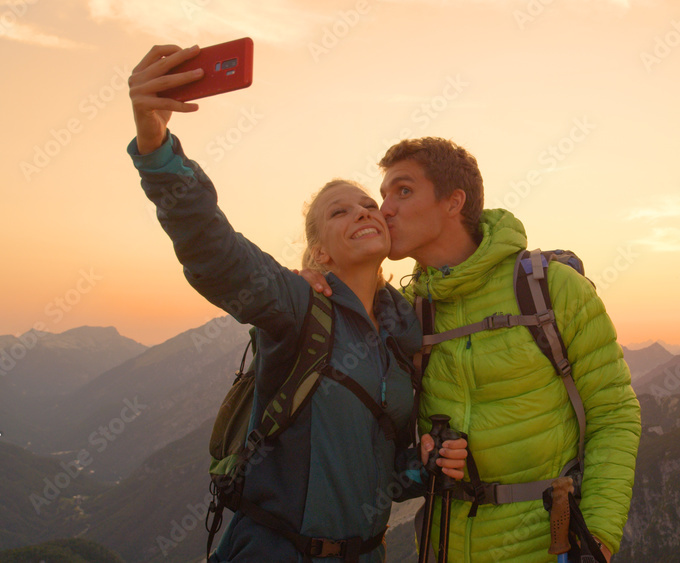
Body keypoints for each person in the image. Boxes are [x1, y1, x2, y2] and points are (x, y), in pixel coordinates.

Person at [126, 44, 466, 562]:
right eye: (340, 211)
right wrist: (156, 146)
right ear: (320, 250)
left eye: (369, 205)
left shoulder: (404, 332)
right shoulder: (298, 303)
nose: (364, 212)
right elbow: (213, 249)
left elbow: (384, 476)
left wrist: (425, 465)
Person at [302, 137, 642, 562]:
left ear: (453, 202)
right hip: (444, 547)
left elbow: (613, 412)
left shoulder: (550, 289)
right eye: (384, 194)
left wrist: (599, 538)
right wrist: (316, 283)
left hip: (547, 544)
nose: (384, 209)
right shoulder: (406, 316)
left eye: (403, 191)